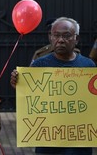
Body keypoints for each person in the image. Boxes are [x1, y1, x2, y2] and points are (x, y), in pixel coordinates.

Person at [11, 17, 95, 154]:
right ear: (50, 37)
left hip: (79, 144)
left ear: (76, 38)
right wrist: (19, 85)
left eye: (66, 35)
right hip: (48, 143)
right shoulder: (39, 65)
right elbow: (30, 100)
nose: (60, 40)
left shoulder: (88, 66)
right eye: (56, 35)